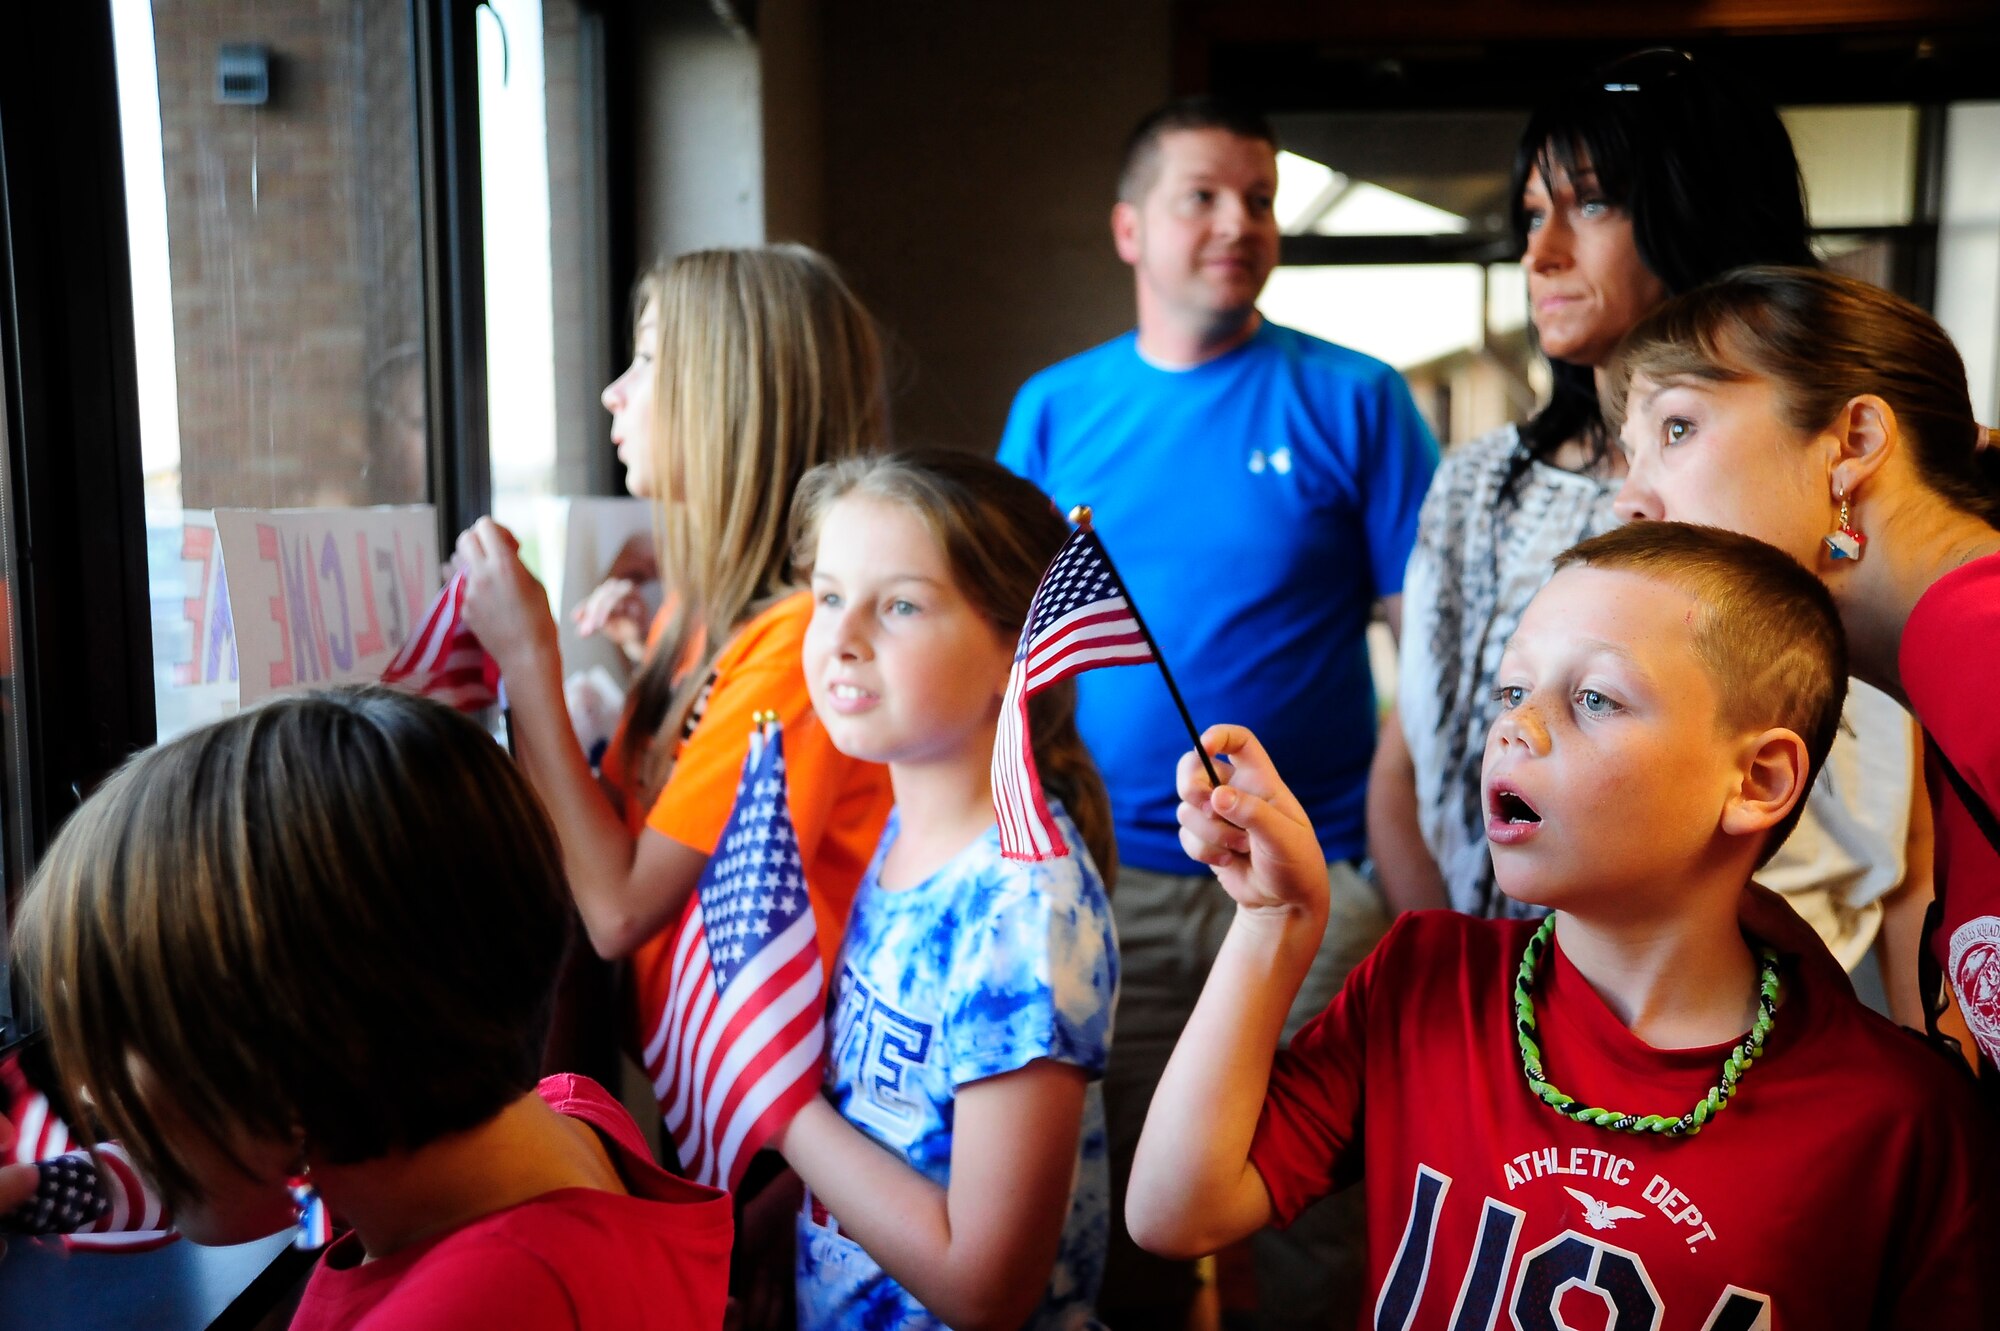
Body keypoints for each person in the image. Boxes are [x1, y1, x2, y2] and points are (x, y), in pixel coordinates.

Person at [1129, 523, 1997, 1326]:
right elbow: (1177, 1212)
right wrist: (1275, 920)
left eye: (1594, 698)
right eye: (1514, 686)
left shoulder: (1903, 1122)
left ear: (1759, 781)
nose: (1518, 725)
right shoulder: (1425, 977)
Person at [1373, 52, 1933, 1027]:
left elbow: (1900, 836)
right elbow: (1409, 763)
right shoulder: (1474, 482)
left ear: (1693, 207)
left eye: (1588, 205)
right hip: (1500, 1014)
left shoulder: (1777, 485)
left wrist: (1933, 1056)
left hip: (1763, 1020)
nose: (1539, 253)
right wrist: (1476, 1009)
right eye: (1529, 213)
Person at [998, 94, 1436, 1326]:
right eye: (1202, 196)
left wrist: (1384, 865)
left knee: (1311, 1218)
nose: (1236, 223)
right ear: (1130, 228)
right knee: (1135, 1207)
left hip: (1311, 877)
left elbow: (1429, 653)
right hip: (1118, 879)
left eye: (1258, 198)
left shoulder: (1354, 397)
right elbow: (1015, 653)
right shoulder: (1053, 407)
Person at [8, 688, 733, 1327]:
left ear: (288, 1069)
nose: (86, 1088)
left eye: (118, 1042)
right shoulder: (559, 1123)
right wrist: (43, 1188)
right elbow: (231, 1164)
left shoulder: (480, 1306)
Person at [456, 245, 896, 1082]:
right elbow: (626, 817)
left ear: (734, 400)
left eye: (651, 357)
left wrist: (528, 657)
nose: (613, 391)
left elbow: (619, 908)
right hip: (699, 1086)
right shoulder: (701, 614)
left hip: (791, 1119)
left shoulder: (804, 637)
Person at [1610, 264, 2000, 1072]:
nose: (1630, 500)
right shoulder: (1946, 658)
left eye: (1677, 428)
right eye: (1629, 451)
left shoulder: (1982, 640)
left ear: (1853, 444)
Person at [775, 451, 1118, 1330]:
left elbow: (987, 1287)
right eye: (828, 594)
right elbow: (884, 1126)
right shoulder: (908, 830)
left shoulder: (1020, 910)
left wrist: (780, 1114)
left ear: (1018, 648)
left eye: (899, 605)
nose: (843, 634)